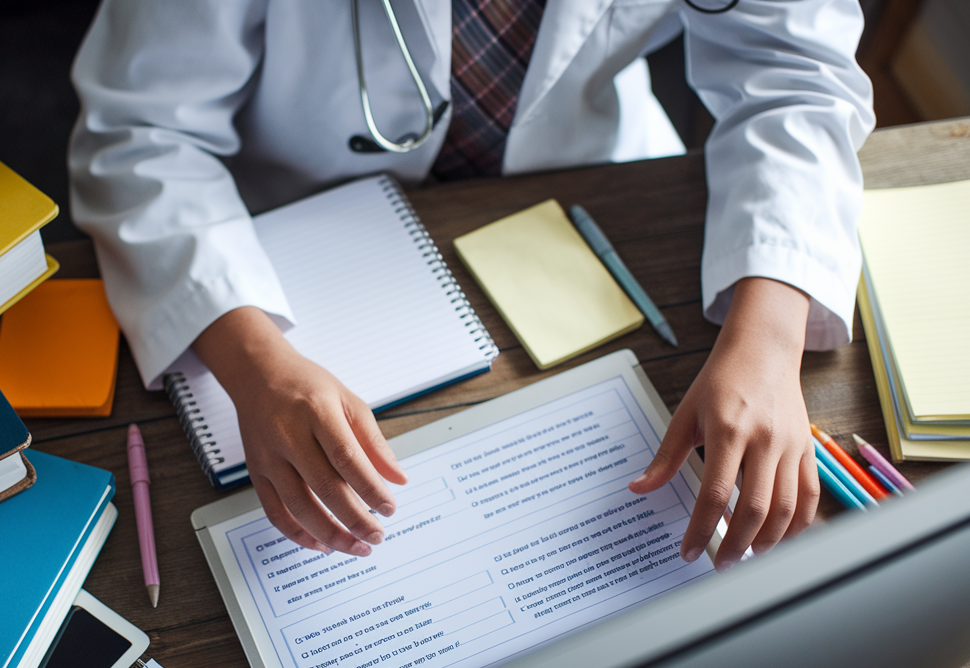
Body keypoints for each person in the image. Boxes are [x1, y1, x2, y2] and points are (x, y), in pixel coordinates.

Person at [68, 0, 874, 572]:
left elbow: (795, 74)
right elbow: (139, 135)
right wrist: (252, 362)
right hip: (287, 213)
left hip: (583, 174)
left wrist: (768, 339)